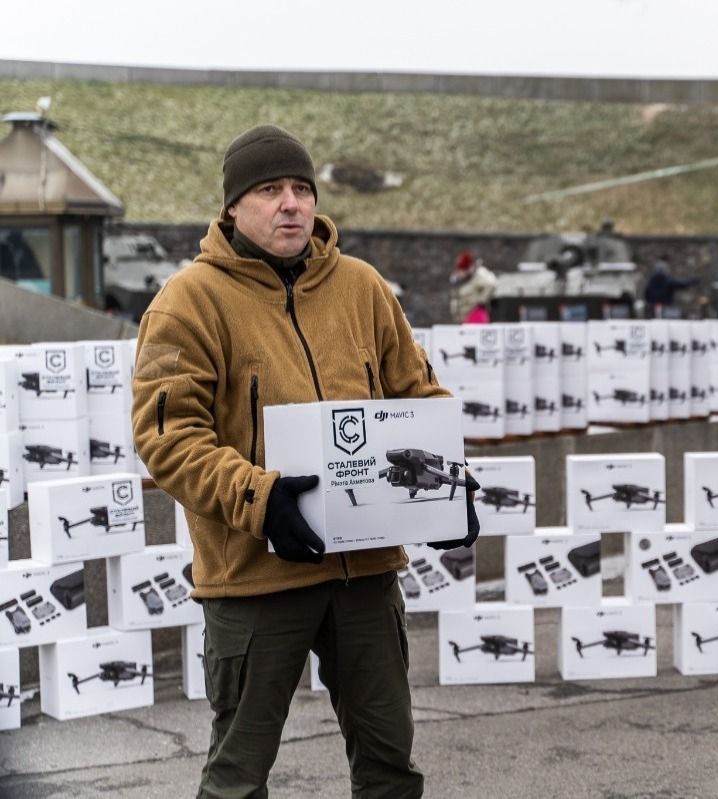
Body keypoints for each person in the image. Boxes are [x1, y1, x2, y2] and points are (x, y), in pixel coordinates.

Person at [132, 124, 475, 798]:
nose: (290, 203)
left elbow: (418, 394)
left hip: (365, 573)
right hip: (255, 575)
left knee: (390, 766)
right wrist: (261, 501)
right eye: (269, 190)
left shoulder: (363, 287)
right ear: (233, 206)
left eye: (301, 188)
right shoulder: (187, 301)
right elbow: (168, 437)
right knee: (237, 776)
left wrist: (446, 485)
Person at [448, 249, 496, 323]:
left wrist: (481, 300)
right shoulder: (458, 280)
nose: (460, 273)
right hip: (464, 317)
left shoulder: (479, 275)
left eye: (462, 270)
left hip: (475, 314)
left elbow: (491, 284)